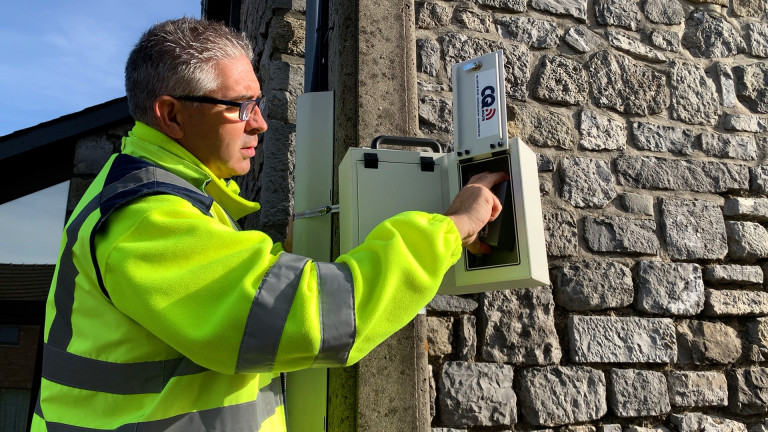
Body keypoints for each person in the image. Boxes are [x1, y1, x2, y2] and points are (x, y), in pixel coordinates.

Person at [32, 17, 507, 432]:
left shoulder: (169, 200)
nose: (259, 123)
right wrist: (451, 227)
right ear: (171, 115)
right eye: (240, 106)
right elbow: (309, 320)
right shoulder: (145, 217)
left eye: (257, 102)